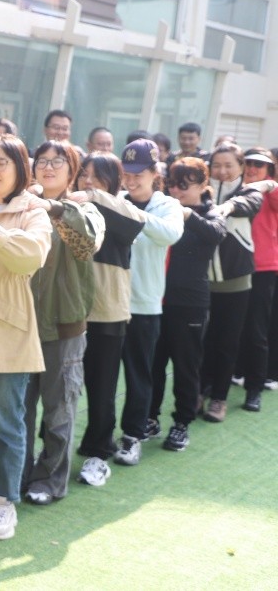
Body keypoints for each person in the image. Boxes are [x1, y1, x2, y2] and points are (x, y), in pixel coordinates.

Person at [0, 135, 51, 540]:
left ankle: (4, 500)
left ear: (21, 168)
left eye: (2, 162)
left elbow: (32, 255)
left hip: (7, 326)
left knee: (6, 422)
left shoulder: (33, 210)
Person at [21, 141, 104, 506]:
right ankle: (15, 477)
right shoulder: (20, 206)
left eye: (58, 162)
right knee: (17, 413)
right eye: (42, 160)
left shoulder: (85, 209)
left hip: (64, 326)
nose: (49, 167)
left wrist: (53, 208)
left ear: (73, 171)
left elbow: (87, 243)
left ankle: (50, 479)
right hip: (18, 326)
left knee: (58, 412)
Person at [72, 153, 144, 473]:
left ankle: (99, 449)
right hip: (69, 310)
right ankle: (54, 448)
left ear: (115, 181)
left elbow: (136, 224)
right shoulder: (69, 205)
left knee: (102, 387)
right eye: (83, 174)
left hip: (107, 311)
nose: (88, 181)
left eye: (97, 175)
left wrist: (92, 196)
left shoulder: (121, 208)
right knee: (61, 388)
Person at [114, 140, 184, 465]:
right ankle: (99, 438)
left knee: (139, 376)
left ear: (155, 173)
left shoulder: (167, 205)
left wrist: (131, 213)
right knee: (101, 379)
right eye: (126, 173)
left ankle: (133, 436)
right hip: (108, 305)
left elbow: (170, 234)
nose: (131, 180)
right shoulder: (116, 200)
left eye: (138, 174)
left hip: (144, 307)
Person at [150, 158, 226, 452]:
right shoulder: (162, 208)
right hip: (156, 299)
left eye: (184, 185)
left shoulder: (211, 212)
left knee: (186, 368)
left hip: (190, 304)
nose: (177, 190)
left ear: (203, 185)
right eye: (172, 184)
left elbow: (216, 233)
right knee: (152, 365)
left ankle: (182, 423)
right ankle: (149, 418)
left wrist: (187, 215)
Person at [200, 144, 263, 422]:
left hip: (236, 281)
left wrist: (228, 206)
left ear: (241, 167)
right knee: (202, 341)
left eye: (229, 165)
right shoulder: (203, 191)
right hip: (201, 281)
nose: (222, 171)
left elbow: (249, 205)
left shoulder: (249, 192)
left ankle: (219, 398)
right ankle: (199, 391)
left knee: (227, 343)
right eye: (217, 165)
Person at [235, 149, 278, 411]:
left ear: (269, 170)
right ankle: (230, 376)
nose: (252, 168)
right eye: (248, 163)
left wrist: (267, 185)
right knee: (231, 327)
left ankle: (255, 388)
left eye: (259, 165)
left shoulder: (272, 190)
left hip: (263, 269)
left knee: (257, 330)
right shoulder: (237, 189)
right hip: (235, 267)